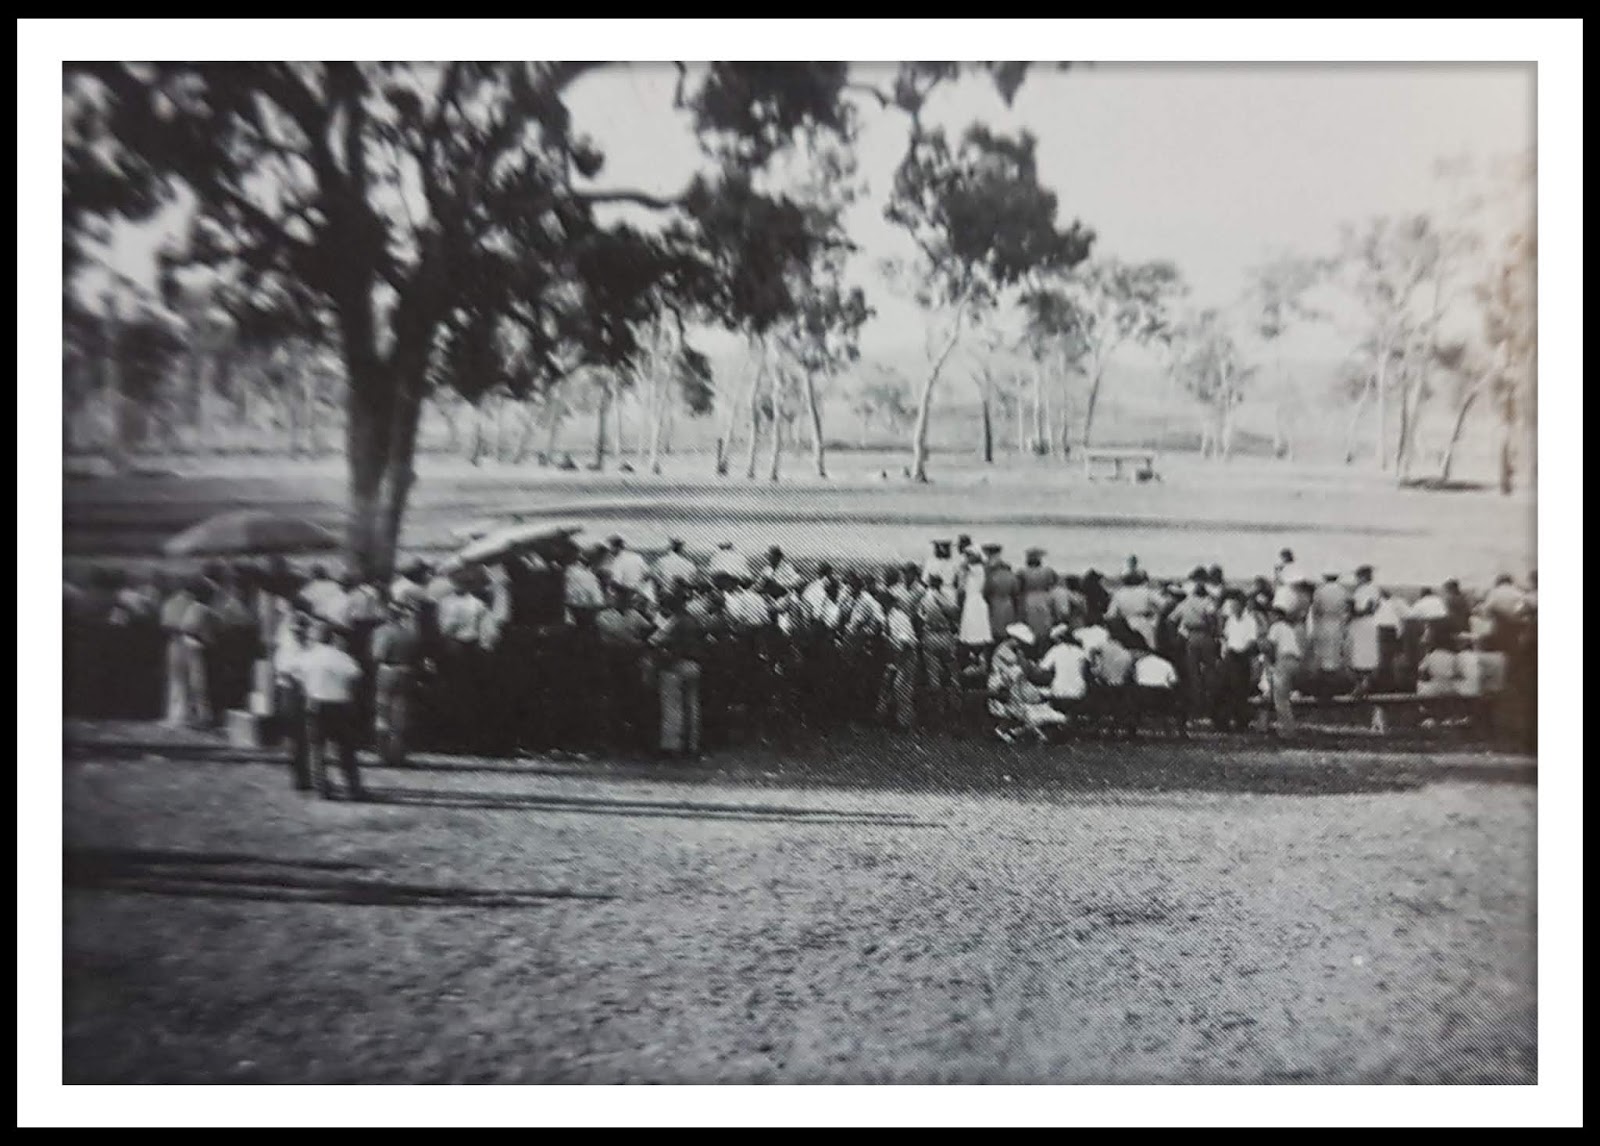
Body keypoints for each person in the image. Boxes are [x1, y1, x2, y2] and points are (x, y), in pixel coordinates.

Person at [299, 622, 367, 800]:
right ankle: (353, 787)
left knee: (317, 748)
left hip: (315, 704)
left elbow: (297, 673)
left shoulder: (309, 656)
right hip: (340, 705)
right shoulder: (341, 657)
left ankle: (322, 788)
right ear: (333, 638)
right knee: (345, 749)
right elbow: (356, 674)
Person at [987, 622, 1064, 743]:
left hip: (1011, 682)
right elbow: (1020, 668)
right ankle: (1014, 728)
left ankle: (1020, 728)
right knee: (1027, 699)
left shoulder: (1013, 650)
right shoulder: (1005, 651)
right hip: (1001, 683)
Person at [370, 599, 424, 767]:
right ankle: (398, 754)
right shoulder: (410, 633)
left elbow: (377, 655)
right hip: (407, 672)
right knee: (401, 714)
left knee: (382, 713)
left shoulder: (382, 632)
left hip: (387, 672)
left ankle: (383, 754)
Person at [650, 591, 704, 759]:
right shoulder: (694, 621)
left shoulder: (674, 622)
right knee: (692, 707)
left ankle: (672, 746)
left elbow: (655, 640)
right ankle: (693, 746)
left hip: (675, 665)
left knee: (672, 707)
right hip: (694, 664)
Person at [272, 611, 313, 790]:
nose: (300, 633)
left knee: (306, 737)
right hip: (290, 691)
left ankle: (307, 776)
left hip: (305, 691)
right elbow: (283, 670)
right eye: (297, 630)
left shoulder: (309, 647)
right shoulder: (285, 649)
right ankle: (299, 778)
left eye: (302, 630)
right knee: (294, 736)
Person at [1167, 580, 1218, 723]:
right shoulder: (1208, 602)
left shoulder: (1186, 603)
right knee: (1209, 672)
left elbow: (1170, 620)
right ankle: (1208, 708)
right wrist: (1214, 633)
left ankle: (1196, 709)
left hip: (1190, 637)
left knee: (1193, 674)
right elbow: (1212, 618)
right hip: (1205, 635)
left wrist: (1174, 638)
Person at [916, 573, 962, 730]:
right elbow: (955, 612)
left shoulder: (924, 598)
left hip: (929, 635)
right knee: (952, 674)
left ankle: (936, 714)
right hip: (944, 635)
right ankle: (954, 712)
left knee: (933, 676)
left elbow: (920, 616)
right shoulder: (942, 597)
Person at [1215, 591, 1260, 732]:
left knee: (1240, 690)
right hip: (1230, 656)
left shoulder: (1250, 621)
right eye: (1232, 605)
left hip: (1242, 657)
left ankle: (1241, 722)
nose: (1233, 607)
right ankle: (1223, 722)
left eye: (1236, 604)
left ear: (1242, 605)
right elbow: (1226, 638)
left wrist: (1241, 652)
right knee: (1224, 689)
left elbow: (1252, 641)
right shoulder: (1230, 620)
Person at [160, 577, 199, 728]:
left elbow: (164, 624)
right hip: (191, 641)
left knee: (176, 679)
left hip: (175, 641)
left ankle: (176, 714)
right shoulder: (193, 603)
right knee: (192, 679)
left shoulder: (169, 603)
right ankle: (190, 714)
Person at [877, 591, 918, 731]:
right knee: (890, 687)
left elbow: (906, 643)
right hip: (895, 654)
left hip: (906, 655)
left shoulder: (900, 617)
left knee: (902, 689)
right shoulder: (886, 617)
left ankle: (905, 723)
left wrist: (898, 663)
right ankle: (892, 720)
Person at [1308, 571, 1353, 698]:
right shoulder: (1343, 591)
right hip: (1337, 624)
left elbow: (1315, 610)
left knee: (1323, 656)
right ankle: (1334, 687)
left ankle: (1324, 689)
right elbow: (1347, 609)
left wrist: (1316, 626)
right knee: (1335, 655)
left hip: (1323, 623)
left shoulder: (1320, 591)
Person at [1263, 606, 1304, 736]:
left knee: (1280, 699)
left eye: (1271, 615)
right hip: (1295, 661)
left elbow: (1270, 646)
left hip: (1284, 659)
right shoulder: (1288, 628)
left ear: (1277, 616)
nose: (1269, 618)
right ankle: (1283, 727)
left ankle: (1287, 731)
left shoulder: (1276, 627)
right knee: (1283, 697)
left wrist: (1271, 663)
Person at [1039, 625, 1090, 726]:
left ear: (1058, 639)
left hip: (1060, 693)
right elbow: (1086, 672)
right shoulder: (1081, 652)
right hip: (1079, 693)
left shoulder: (1055, 650)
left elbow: (1042, 669)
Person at [1132, 646, 1184, 738]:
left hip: (1143, 695)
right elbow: (1174, 681)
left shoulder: (1140, 663)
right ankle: (1173, 730)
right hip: (1162, 696)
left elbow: (1135, 679)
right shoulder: (1167, 664)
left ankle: (1134, 729)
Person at [957, 548, 993, 669]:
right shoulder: (979, 568)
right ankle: (976, 659)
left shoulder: (976, 569)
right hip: (974, 601)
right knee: (976, 632)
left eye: (969, 555)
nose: (966, 557)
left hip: (974, 602)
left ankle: (975, 659)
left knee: (974, 632)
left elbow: (963, 566)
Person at [1348, 566, 1382, 696]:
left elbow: (1368, 608)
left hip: (1363, 623)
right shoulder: (1372, 589)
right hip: (1366, 623)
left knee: (1361, 655)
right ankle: (1363, 684)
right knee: (1363, 655)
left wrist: (1353, 612)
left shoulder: (1365, 590)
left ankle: (1362, 685)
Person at [1017, 549, 1057, 640]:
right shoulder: (1048, 571)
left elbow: (1019, 587)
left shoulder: (1022, 572)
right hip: (1045, 598)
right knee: (1045, 624)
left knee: (1029, 626)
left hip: (1028, 598)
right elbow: (1054, 582)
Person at [983, 544, 1021, 638]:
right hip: (1008, 603)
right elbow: (1016, 592)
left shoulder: (987, 570)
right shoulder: (1011, 576)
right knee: (1007, 626)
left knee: (993, 626)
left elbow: (985, 592)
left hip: (993, 602)